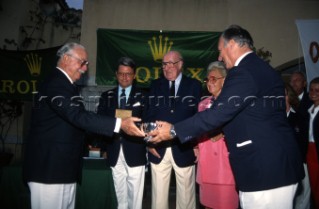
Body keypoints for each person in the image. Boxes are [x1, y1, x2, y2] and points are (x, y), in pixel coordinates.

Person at [148, 25, 305, 209]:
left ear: (232, 44)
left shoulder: (245, 71)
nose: (219, 57)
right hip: (270, 166)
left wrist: (174, 130)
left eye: (220, 51)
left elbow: (218, 114)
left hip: (265, 169)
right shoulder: (259, 68)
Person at [22, 43, 144, 209]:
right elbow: (77, 116)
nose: (85, 68)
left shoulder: (67, 85)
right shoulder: (56, 84)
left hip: (62, 168)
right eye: (82, 62)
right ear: (66, 59)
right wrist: (119, 124)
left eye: (86, 64)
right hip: (50, 170)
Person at [143, 50, 202, 209]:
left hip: (184, 146)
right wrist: (149, 142)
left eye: (171, 64)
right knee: (158, 199)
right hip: (158, 148)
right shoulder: (155, 85)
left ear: (180, 64)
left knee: (186, 198)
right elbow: (148, 115)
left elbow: (198, 118)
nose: (167, 68)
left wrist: (197, 144)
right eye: (164, 64)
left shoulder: (194, 85)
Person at [96, 57, 146, 209]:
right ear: (116, 74)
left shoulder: (144, 96)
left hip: (136, 151)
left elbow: (148, 122)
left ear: (134, 75)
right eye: (121, 73)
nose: (125, 77)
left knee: (135, 198)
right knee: (119, 197)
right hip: (113, 150)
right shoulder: (106, 96)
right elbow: (100, 123)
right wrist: (104, 148)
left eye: (128, 74)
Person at [195, 61, 238, 209]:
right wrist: (194, 145)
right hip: (206, 164)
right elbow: (198, 130)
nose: (209, 82)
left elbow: (243, 128)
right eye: (207, 79)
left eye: (214, 78)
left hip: (225, 166)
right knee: (207, 205)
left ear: (225, 80)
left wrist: (224, 132)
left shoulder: (233, 103)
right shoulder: (202, 104)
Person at [285, 83, 311, 209]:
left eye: (282, 95)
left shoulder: (300, 118)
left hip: (300, 163)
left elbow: (303, 143)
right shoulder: (272, 120)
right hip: (281, 166)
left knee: (303, 199)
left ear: (289, 97)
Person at [306, 77, 319, 209]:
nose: (313, 93)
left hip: (317, 150)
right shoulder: (307, 110)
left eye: (317, 90)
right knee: (313, 184)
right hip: (309, 151)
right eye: (311, 90)